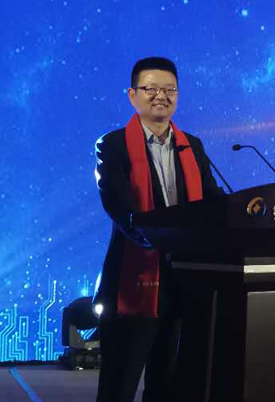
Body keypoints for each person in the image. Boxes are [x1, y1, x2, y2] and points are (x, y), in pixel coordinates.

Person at [94, 56, 224, 402]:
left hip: (183, 282)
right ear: (132, 95)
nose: (161, 96)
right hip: (133, 281)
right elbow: (118, 205)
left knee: (167, 385)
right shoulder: (113, 145)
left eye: (170, 90)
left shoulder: (191, 145)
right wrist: (159, 237)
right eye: (151, 89)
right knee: (118, 386)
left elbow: (212, 200)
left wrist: (241, 213)